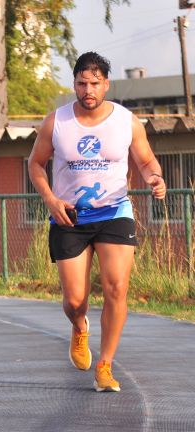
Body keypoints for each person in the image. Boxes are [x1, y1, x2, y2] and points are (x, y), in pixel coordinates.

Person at [27, 52, 166, 392]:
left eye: (94, 83)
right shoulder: (55, 122)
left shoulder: (126, 121)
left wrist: (155, 177)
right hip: (69, 216)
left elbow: (146, 160)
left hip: (114, 212)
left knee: (117, 287)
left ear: (106, 84)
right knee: (75, 300)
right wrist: (50, 199)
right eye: (81, 83)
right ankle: (79, 326)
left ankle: (105, 365)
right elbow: (35, 164)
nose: (87, 90)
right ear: (74, 84)